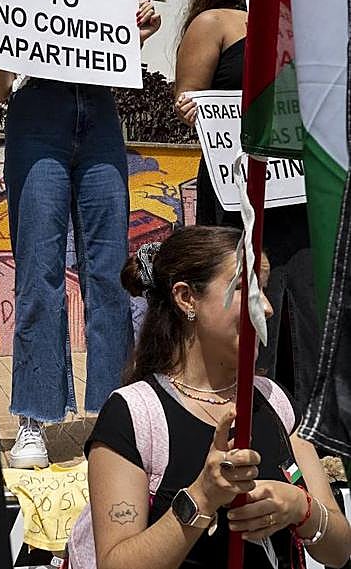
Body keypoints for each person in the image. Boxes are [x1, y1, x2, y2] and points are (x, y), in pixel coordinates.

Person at [0, 0, 160, 467]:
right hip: (38, 126)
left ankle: (116, 413)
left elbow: (115, 65)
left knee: (109, 272)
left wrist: (135, 34)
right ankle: (33, 417)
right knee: (39, 270)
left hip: (99, 126)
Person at [86, 226, 351, 569]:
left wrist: (302, 508)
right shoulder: (134, 415)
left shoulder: (274, 401)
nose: (266, 308)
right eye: (244, 288)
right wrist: (202, 496)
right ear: (186, 298)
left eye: (264, 289)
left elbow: (338, 550)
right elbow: (114, 563)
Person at [173, 0, 318, 407]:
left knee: (307, 302)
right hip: (239, 192)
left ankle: (310, 421)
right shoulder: (214, 22)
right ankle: (248, 410)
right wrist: (190, 108)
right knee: (249, 292)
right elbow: (188, 96)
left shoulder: (297, 25)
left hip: (297, 191)